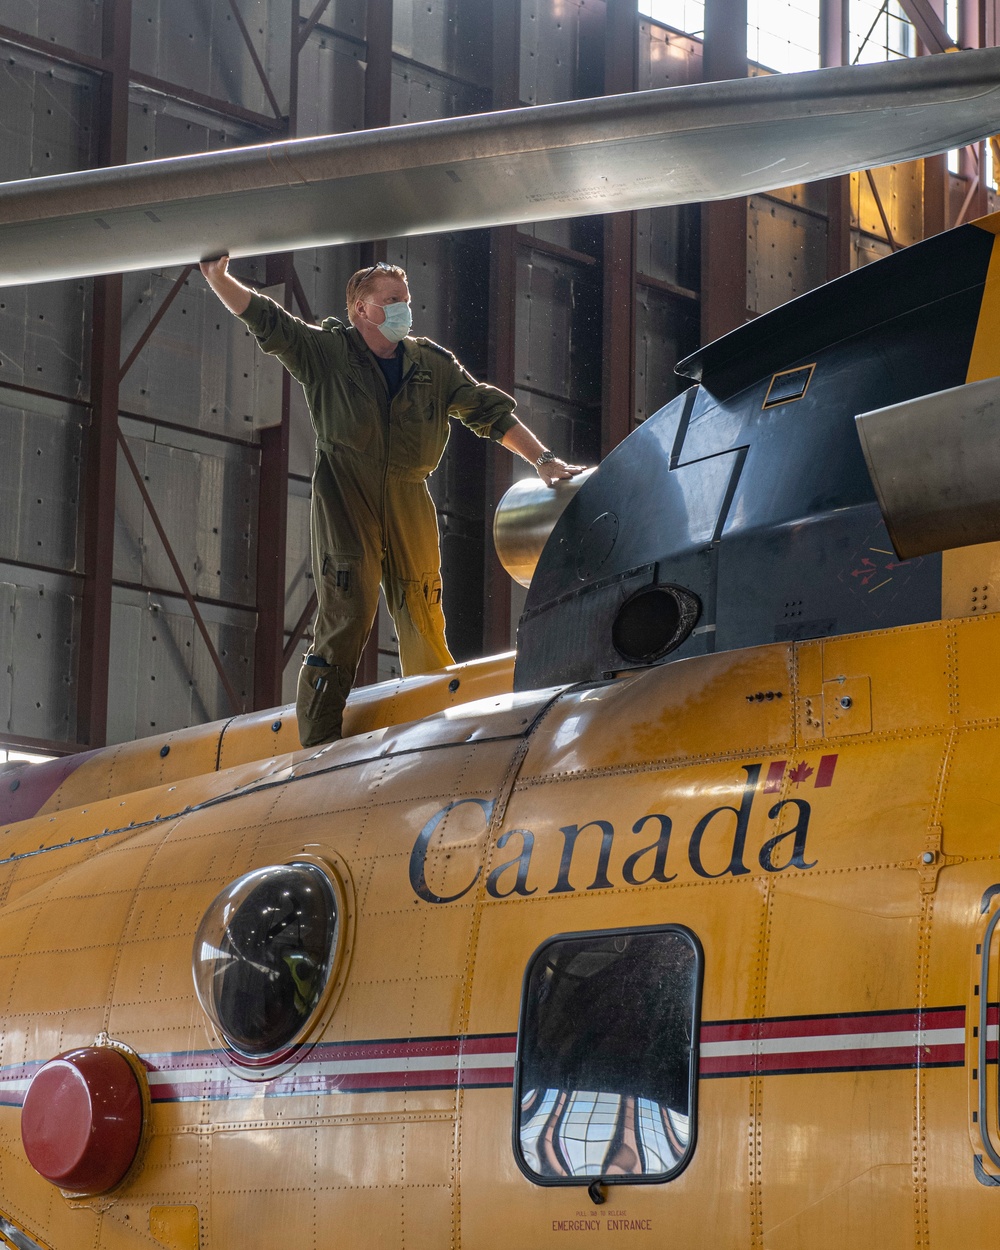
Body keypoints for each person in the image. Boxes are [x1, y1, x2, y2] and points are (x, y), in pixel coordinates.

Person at [200, 256, 583, 747]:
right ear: (361, 308)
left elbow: (488, 410)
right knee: (348, 613)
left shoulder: (431, 366)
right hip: (346, 493)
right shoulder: (328, 354)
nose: (405, 310)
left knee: (423, 613)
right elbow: (269, 321)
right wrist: (219, 279)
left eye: (407, 301)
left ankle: (439, 733)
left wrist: (543, 458)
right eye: (393, 302)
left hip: (409, 496)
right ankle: (317, 744)